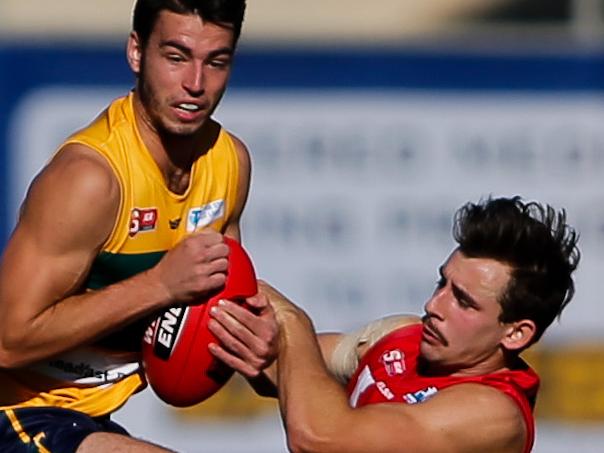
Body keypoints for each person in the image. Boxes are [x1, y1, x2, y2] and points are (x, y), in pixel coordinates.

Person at [0, 1, 277, 452]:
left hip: (86, 419)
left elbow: (214, 313)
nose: (195, 84)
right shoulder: (91, 178)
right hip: (14, 412)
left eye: (216, 62)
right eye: (176, 57)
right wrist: (159, 286)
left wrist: (257, 342)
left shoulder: (228, 163)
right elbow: (7, 341)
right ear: (136, 52)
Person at [209, 196, 580, 453]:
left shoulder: (492, 415)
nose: (433, 305)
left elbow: (320, 438)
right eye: (442, 284)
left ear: (516, 332)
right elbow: (278, 364)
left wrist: (290, 320)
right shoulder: (403, 337)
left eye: (463, 301)